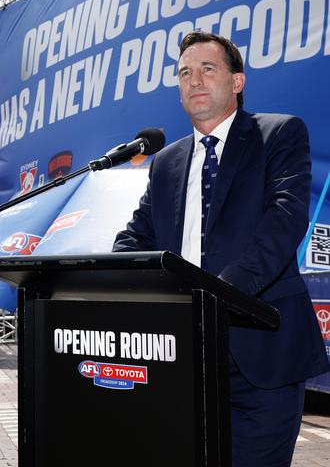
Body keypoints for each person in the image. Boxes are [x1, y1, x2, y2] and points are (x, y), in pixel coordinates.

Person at [113, 31, 329, 466]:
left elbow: (283, 224)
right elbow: (132, 240)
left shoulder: (280, 134)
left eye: (207, 69)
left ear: (237, 82)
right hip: (182, 359)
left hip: (261, 358)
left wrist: (217, 298)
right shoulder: (167, 162)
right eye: (185, 73)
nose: (194, 80)